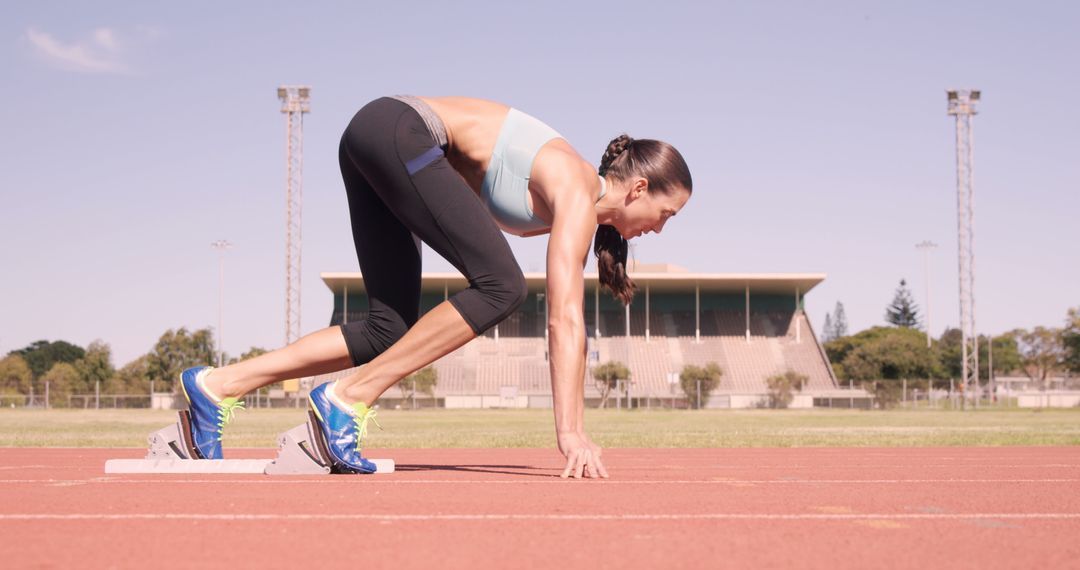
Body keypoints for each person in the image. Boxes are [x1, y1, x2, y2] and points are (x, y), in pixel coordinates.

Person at [179, 95, 692, 478]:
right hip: (397, 130)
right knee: (502, 286)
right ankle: (347, 398)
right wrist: (571, 433)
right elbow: (564, 318)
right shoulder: (578, 189)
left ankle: (217, 386)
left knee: (388, 329)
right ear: (640, 188)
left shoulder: (573, 200)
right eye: (665, 214)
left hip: (376, 135)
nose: (660, 228)